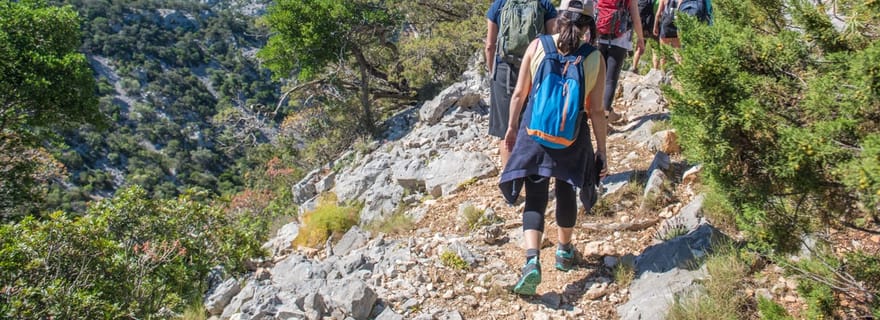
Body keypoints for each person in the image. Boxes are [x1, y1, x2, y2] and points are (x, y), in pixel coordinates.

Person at [498, 0, 608, 296]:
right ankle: (563, 250)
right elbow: (596, 110)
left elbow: (519, 94)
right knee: (566, 190)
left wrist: (511, 128)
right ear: (589, 25)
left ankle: (532, 261)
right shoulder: (595, 57)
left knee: (535, 197)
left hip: (534, 133)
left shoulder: (538, 45)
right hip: (572, 137)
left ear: (560, 17)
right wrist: (602, 150)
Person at [485, 0, 558, 169]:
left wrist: (492, 72)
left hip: (505, 69)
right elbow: (553, 41)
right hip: (535, 68)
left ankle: (509, 179)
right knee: (535, 124)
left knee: (506, 130)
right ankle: (532, 174)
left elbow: (490, 45)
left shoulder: (499, 5)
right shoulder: (544, 5)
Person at [597, 0, 645, 123]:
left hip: (599, 36)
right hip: (620, 39)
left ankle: (594, 114)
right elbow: (635, 16)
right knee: (610, 81)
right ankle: (604, 119)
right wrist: (640, 39)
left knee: (598, 79)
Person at [631, 0, 660, 73]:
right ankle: (655, 70)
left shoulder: (640, 1)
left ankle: (634, 67)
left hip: (642, 26)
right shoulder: (656, 1)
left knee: (639, 46)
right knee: (655, 49)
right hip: (652, 25)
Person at [653, 0, 682, 69]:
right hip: (676, 26)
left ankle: (663, 72)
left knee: (663, 52)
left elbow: (658, 14)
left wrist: (655, 26)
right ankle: (682, 70)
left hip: (666, 26)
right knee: (677, 51)